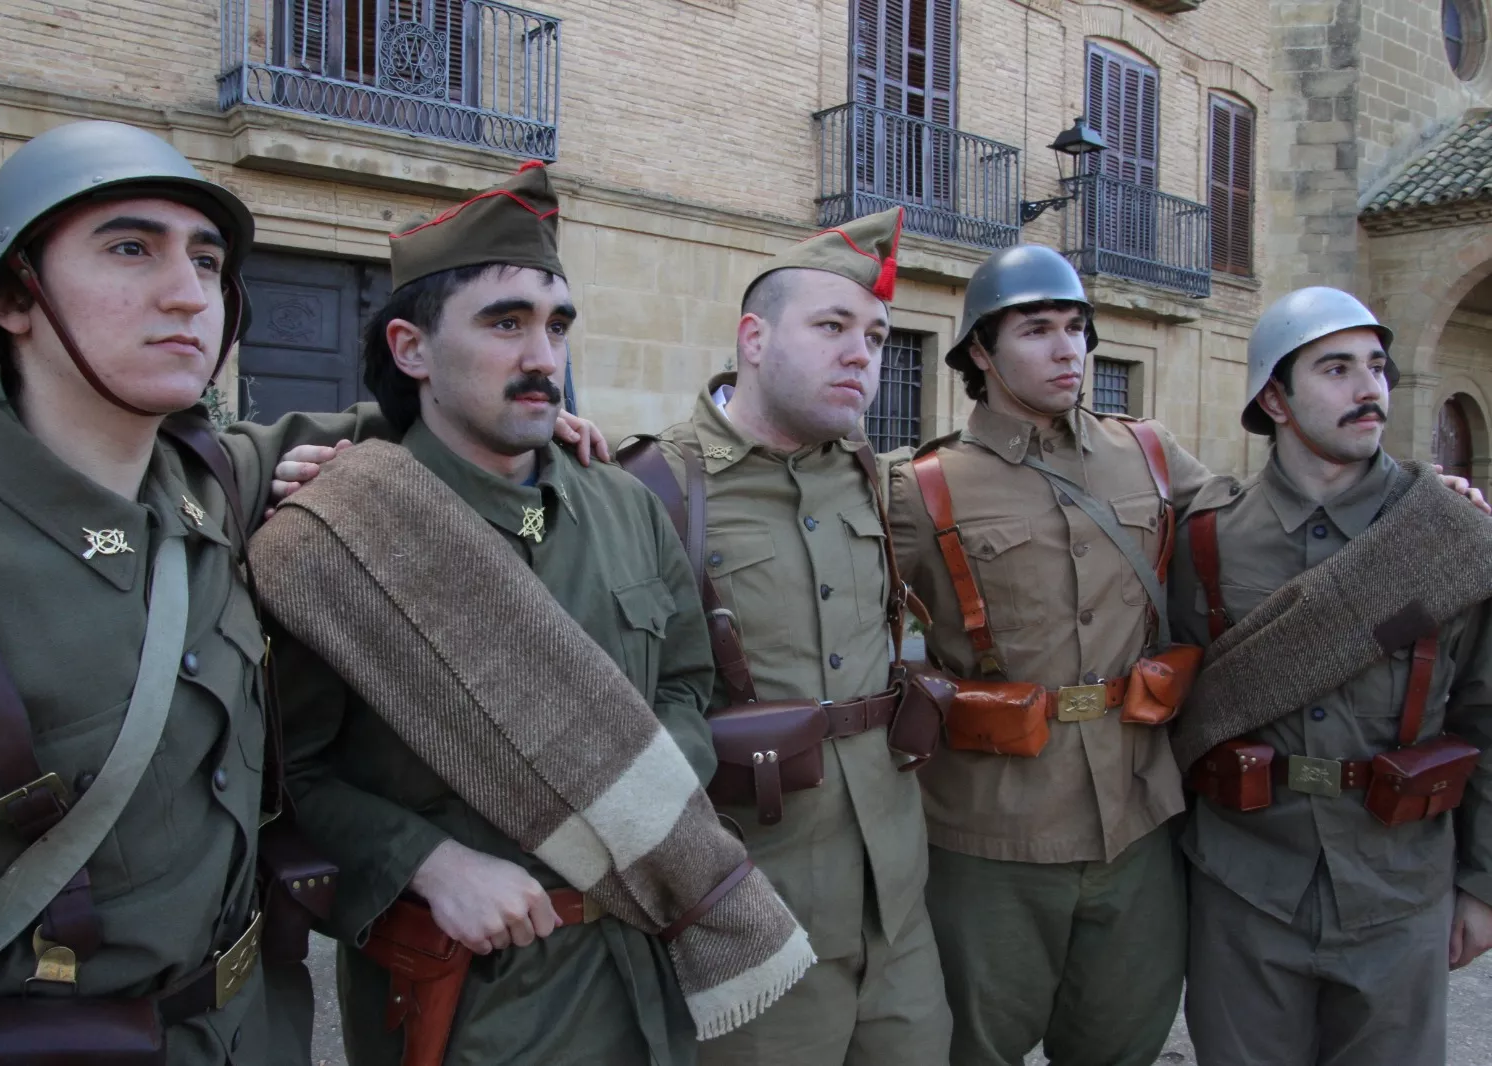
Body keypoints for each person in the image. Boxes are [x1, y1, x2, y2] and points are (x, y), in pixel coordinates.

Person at [261, 161, 723, 1066]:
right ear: (411, 349)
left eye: (556, 325)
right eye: (505, 323)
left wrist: (640, 788)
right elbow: (291, 772)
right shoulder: (338, 530)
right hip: (473, 995)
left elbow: (687, 682)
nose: (544, 357)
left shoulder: (623, 506)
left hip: (641, 963)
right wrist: (428, 862)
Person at [0, 120, 281, 1064]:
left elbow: (372, 428)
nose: (188, 295)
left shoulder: (207, 493)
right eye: (129, 248)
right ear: (18, 299)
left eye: (207, 259)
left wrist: (535, 423)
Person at [626, 207, 952, 1065]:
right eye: (833, 327)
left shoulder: (869, 475)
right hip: (755, 917)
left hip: (897, 906)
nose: (862, 354)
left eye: (878, 337)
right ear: (755, 338)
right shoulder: (652, 487)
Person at [887, 244, 1210, 1066]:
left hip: (1137, 819)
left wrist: (1412, 495)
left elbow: (1258, 535)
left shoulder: (1150, 455)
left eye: (1077, 327)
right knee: (975, 1049)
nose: (1070, 348)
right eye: (1038, 330)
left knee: (1121, 1045)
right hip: (991, 834)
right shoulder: (922, 486)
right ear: (981, 355)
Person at [1169, 286, 1492, 1066]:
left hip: (1400, 882)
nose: (1368, 389)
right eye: (1336, 368)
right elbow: (1177, 704)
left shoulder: (1449, 533)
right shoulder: (1205, 538)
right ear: (1274, 398)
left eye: (1377, 367)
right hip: (1243, 883)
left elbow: (1486, 715)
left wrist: (1482, 884)